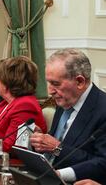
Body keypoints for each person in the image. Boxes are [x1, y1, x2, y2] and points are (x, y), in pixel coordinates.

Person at [30, 49, 106, 184]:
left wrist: (57, 151)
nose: (50, 91)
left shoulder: (102, 109)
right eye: (49, 83)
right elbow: (58, 144)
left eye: (56, 84)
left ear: (80, 82)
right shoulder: (65, 100)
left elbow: (102, 162)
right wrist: (40, 142)